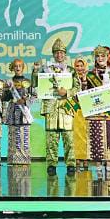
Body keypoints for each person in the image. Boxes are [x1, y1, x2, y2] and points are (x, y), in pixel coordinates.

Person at [35, 38, 75, 175]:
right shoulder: (46, 70)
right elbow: (36, 84)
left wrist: (67, 92)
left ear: (65, 54)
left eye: (61, 52)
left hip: (66, 107)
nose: (59, 55)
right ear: (53, 54)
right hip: (51, 107)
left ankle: (71, 164)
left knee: (69, 138)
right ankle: (51, 164)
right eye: (56, 52)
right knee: (51, 139)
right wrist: (35, 72)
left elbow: (78, 88)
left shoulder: (71, 70)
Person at [84, 45, 110, 175]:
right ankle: (98, 164)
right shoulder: (90, 74)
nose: (100, 58)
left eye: (102, 56)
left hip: (109, 108)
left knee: (109, 135)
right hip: (95, 108)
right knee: (96, 135)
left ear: (107, 57)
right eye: (98, 56)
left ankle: (109, 162)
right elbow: (87, 91)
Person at [3, 58, 35, 165]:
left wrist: (25, 100)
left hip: (24, 114)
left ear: (23, 68)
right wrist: (7, 91)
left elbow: (34, 95)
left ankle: (24, 159)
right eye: (15, 66)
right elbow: (4, 98)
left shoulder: (28, 82)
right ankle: (13, 160)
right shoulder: (9, 82)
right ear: (13, 68)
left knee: (24, 136)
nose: (17, 68)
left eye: (19, 66)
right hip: (13, 113)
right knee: (13, 136)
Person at [70, 56, 91, 171]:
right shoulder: (71, 78)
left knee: (87, 133)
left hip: (87, 109)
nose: (79, 68)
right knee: (76, 134)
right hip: (75, 108)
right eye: (77, 66)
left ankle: (86, 158)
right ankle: (77, 158)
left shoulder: (91, 78)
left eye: (81, 65)